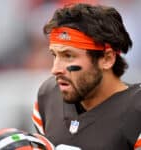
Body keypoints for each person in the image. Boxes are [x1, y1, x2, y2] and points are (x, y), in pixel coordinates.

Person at [32, 3, 141, 150]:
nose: (55, 69)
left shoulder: (136, 111)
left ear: (107, 59)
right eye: (54, 55)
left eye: (68, 56)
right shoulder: (48, 96)